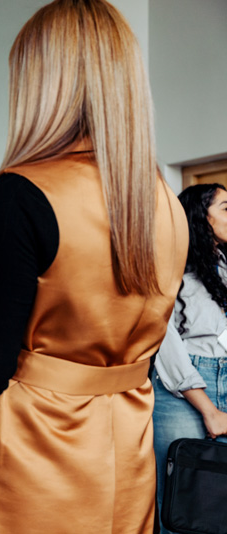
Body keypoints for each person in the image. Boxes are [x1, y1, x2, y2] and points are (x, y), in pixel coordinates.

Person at [0, 1, 188, 532]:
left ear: (44, 81)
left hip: (29, 450)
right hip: (123, 449)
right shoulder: (165, 203)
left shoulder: (21, 193)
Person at [153, 183, 227, 534]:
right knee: (183, 502)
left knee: (220, 501)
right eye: (226, 207)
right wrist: (208, 409)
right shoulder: (170, 265)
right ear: (200, 217)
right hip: (183, 385)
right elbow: (163, 338)